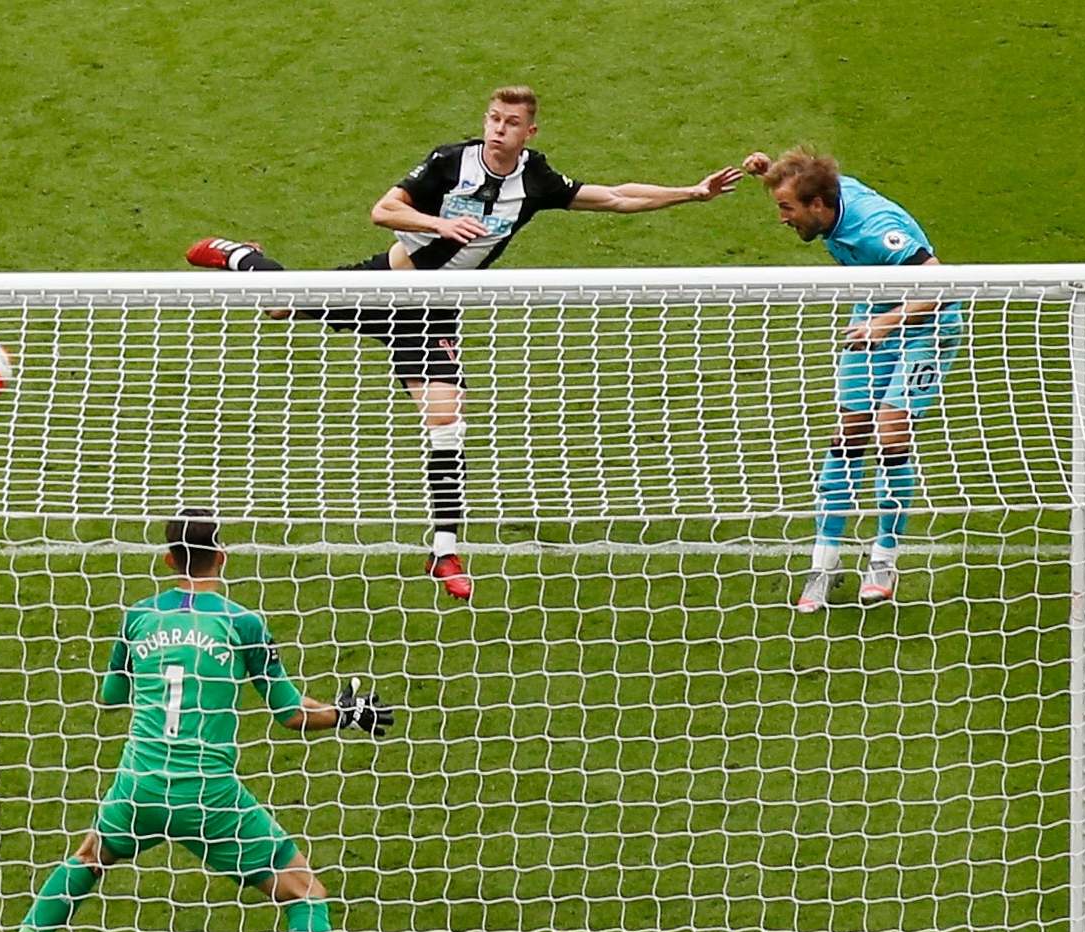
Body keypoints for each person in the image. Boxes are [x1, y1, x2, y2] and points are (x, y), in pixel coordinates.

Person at [188, 85, 743, 601]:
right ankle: (235, 253)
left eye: (513, 123)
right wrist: (439, 226)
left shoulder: (536, 179)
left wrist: (692, 193)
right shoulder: (450, 161)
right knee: (283, 302)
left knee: (448, 422)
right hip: (387, 286)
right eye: (494, 120)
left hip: (433, 316)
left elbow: (615, 197)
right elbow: (384, 211)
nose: (500, 130)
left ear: (531, 131)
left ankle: (445, 552)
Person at [0, 510, 395, 932]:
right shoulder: (242, 624)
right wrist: (344, 714)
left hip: (139, 785)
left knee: (88, 858)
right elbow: (288, 713)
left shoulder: (137, 618)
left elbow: (112, 695)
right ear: (224, 556)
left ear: (169, 560)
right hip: (209, 796)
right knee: (304, 892)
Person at [742, 147, 963, 611]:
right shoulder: (824, 191)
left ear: (818, 207)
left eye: (787, 209)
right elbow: (810, 171)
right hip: (876, 310)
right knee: (848, 434)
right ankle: (823, 564)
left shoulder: (877, 231)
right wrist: (771, 173)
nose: (783, 219)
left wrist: (885, 324)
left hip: (926, 322)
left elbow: (940, 285)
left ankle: (884, 559)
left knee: (891, 430)